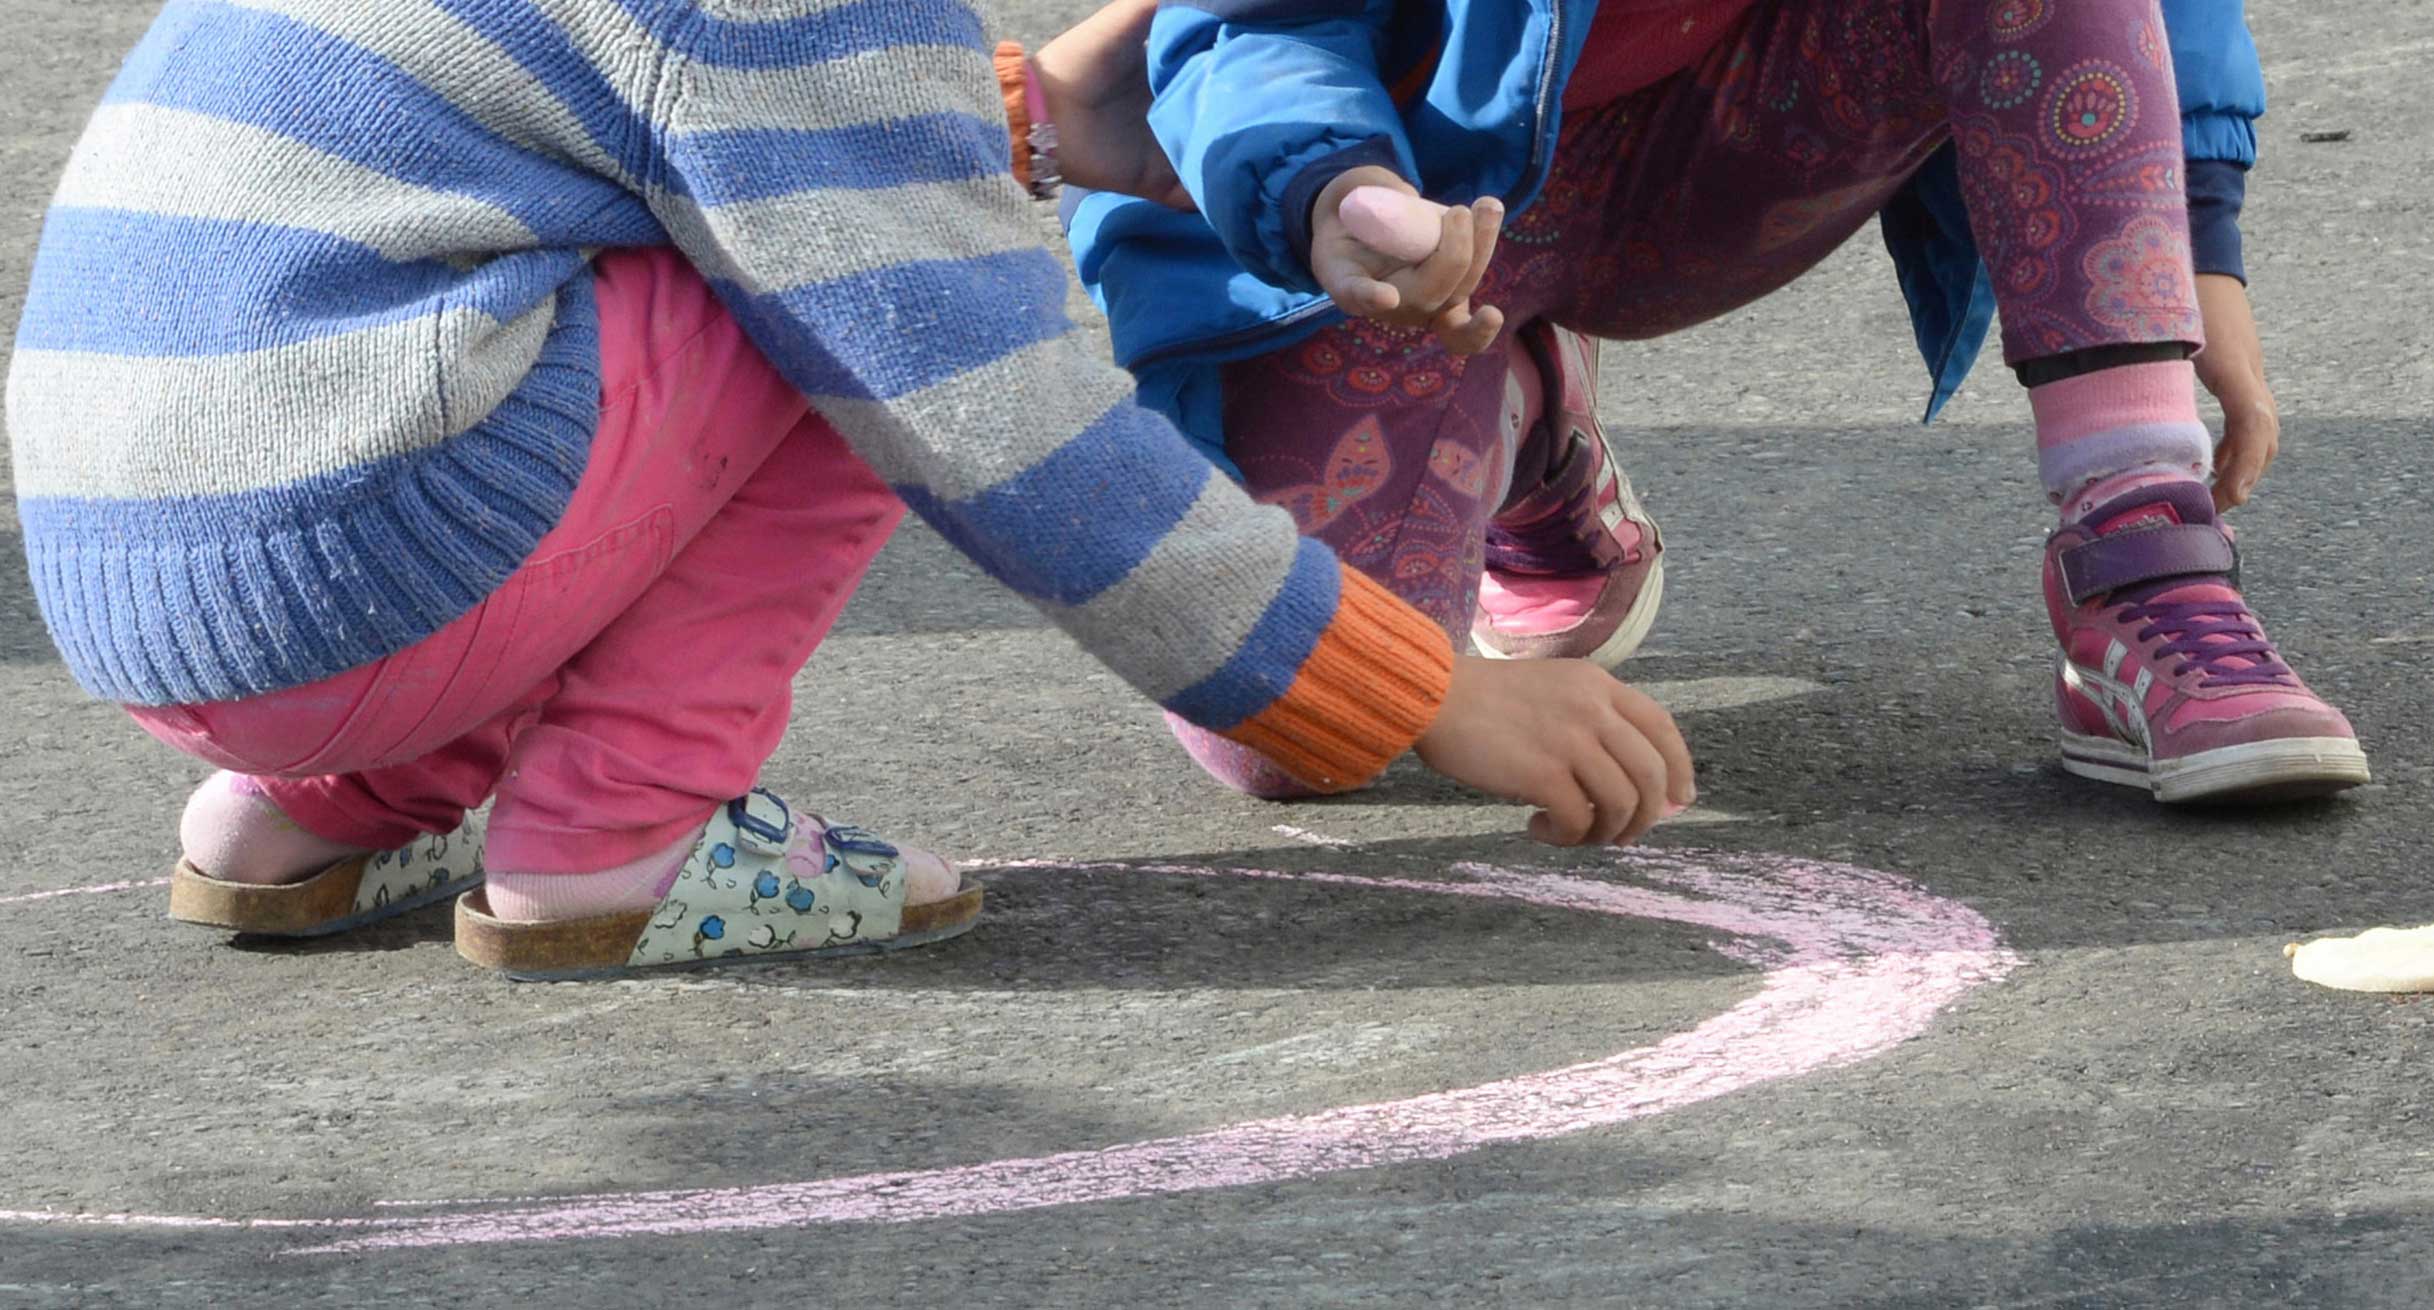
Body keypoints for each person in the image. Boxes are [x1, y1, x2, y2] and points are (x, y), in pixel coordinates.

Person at [2, 0, 1692, 979]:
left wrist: (998, 112)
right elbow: (1008, 429)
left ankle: (320, 809)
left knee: (758, 238)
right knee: (852, 310)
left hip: (174, 610)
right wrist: (1419, 683)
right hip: (371, 561)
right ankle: (618, 843)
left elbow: (625, 96)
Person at [1069, 0, 2368, 806]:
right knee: (1301, 731)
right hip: (1407, 209)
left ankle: (2139, 564)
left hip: (1723, 148)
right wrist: (1327, 195)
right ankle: (1518, 416)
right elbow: (1245, 29)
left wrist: (2195, 236)